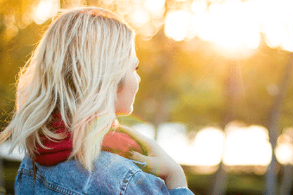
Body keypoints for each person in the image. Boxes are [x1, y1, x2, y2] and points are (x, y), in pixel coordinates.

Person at [0, 7, 194, 194]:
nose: (138, 78)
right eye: (134, 68)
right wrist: (175, 175)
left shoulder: (35, 156)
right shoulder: (125, 179)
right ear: (108, 78)